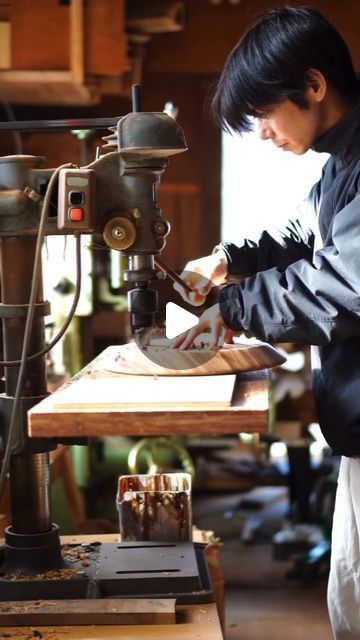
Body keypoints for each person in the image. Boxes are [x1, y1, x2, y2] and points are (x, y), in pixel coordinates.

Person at [172, 5, 360, 638]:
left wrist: (233, 308)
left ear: (313, 86)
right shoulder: (342, 163)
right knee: (351, 603)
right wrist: (234, 258)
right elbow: (314, 239)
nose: (260, 134)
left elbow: (339, 284)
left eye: (262, 114)